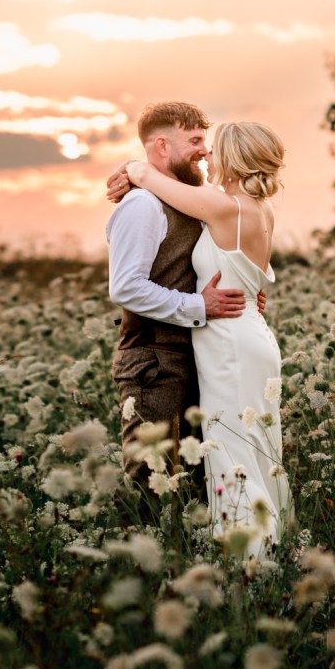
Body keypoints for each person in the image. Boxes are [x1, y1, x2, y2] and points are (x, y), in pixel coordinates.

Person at [121, 120, 292, 555]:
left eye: (213, 150)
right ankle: (270, 546)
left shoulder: (224, 207)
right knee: (257, 447)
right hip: (251, 332)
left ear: (233, 159)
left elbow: (146, 175)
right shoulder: (260, 209)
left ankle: (250, 562)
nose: (206, 157)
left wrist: (130, 169)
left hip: (230, 341)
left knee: (231, 451)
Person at [106, 101, 248, 485]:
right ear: (163, 147)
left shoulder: (186, 198)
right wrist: (201, 305)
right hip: (153, 363)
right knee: (150, 479)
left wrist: (245, 296)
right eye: (196, 140)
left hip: (191, 359)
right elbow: (125, 287)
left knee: (191, 482)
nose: (205, 150)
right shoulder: (142, 205)